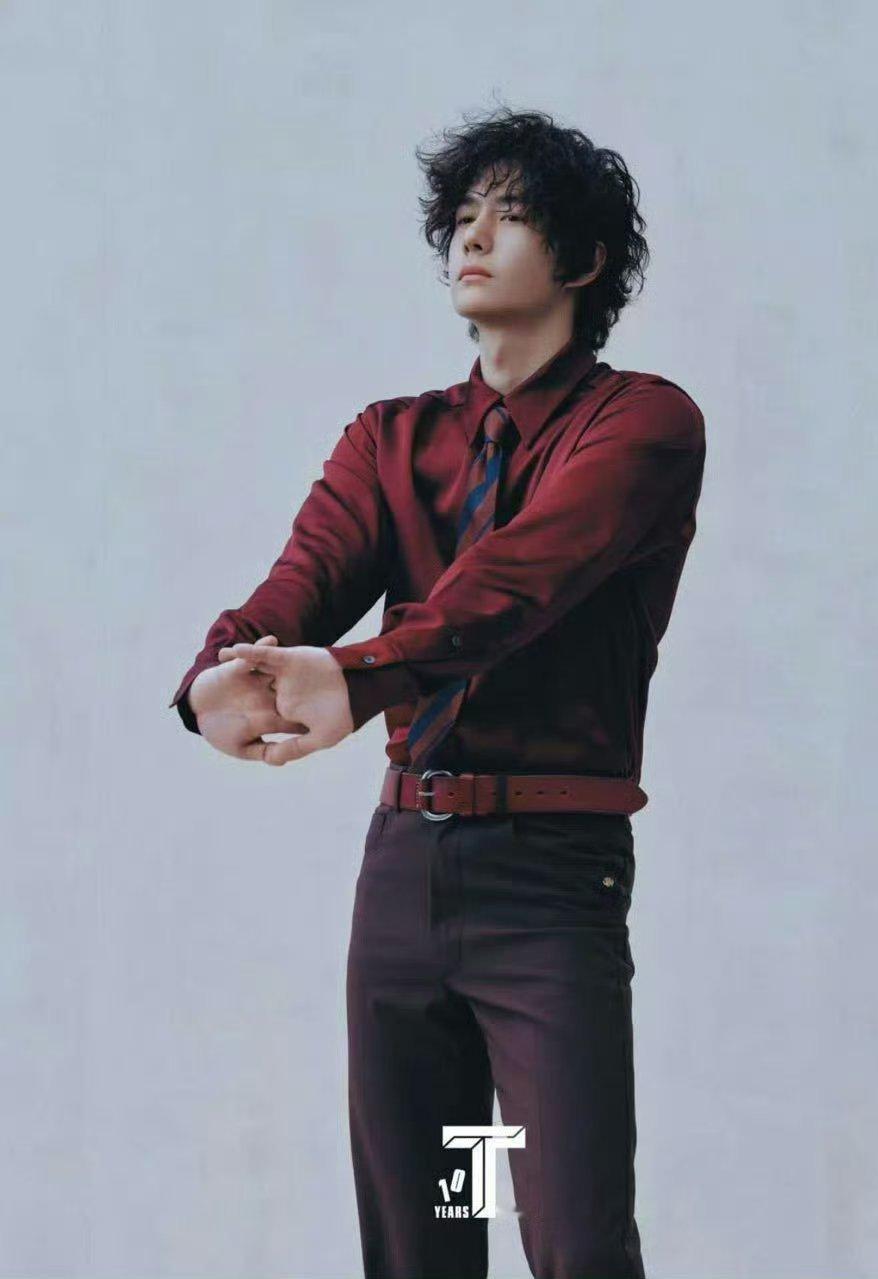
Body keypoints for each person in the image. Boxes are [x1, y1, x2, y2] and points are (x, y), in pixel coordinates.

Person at [169, 105, 706, 1279]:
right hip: (407, 879)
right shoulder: (392, 440)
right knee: (433, 1240)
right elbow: (299, 585)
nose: (473, 236)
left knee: (572, 1242)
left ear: (582, 259)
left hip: (547, 888)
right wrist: (224, 669)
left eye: (511, 216)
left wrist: (358, 678)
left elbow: (517, 584)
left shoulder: (643, 425)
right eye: (463, 215)